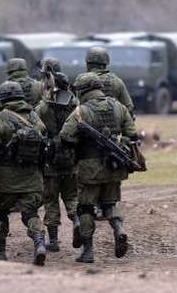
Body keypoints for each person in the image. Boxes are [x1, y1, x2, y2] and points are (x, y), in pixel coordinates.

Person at [59, 72, 138, 263]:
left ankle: (88, 251)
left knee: (85, 208)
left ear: (83, 90)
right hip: (115, 166)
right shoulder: (118, 107)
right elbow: (132, 134)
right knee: (111, 203)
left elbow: (66, 136)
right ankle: (119, 230)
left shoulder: (80, 111)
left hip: (89, 168)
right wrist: (118, 142)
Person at [0, 81, 47, 266]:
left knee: (0, 214)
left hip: (6, 180)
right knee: (31, 214)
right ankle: (40, 243)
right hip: (32, 178)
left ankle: (0, 251)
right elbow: (44, 149)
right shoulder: (35, 118)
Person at [35, 59, 80, 252]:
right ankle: (78, 221)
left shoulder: (43, 108)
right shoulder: (75, 105)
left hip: (50, 162)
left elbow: (36, 128)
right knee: (71, 197)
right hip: (71, 159)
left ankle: (53, 242)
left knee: (51, 200)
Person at [85, 46, 134, 114]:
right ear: (105, 64)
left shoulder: (81, 81)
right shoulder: (117, 81)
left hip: (87, 121)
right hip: (112, 121)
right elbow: (129, 107)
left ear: (87, 64)